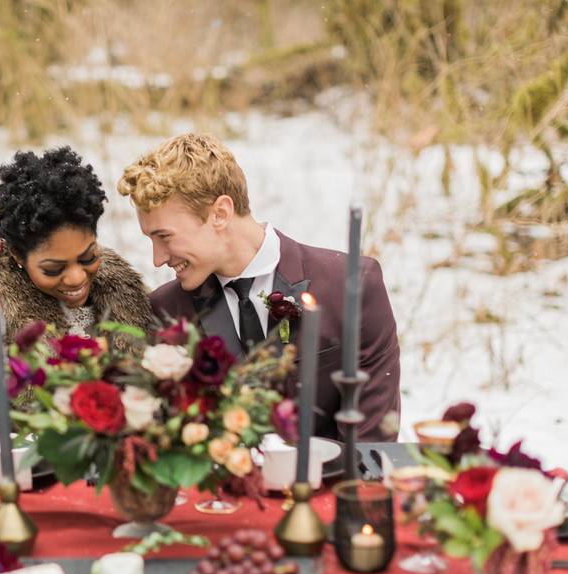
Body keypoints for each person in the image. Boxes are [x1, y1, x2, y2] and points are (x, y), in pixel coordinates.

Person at [117, 133, 400, 442]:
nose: (157, 259)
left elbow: (371, 449)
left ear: (220, 214)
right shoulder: (165, 312)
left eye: (165, 237)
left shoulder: (351, 286)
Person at [0, 147, 155, 432]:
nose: (76, 277)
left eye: (87, 257)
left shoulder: (123, 292)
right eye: (53, 269)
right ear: (17, 256)